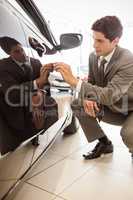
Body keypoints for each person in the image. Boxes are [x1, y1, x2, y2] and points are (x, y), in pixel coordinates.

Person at [54, 15, 133, 160]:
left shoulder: (127, 59)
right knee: (78, 104)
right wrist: (88, 98)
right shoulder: (93, 56)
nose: (94, 45)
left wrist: (74, 81)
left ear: (115, 41)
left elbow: (109, 95)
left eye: (100, 41)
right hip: (115, 108)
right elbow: (91, 82)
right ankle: (104, 143)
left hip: (130, 109)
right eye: (94, 39)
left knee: (129, 134)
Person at [0, 36, 58, 154]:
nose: (22, 53)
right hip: (15, 111)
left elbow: (46, 85)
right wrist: (37, 83)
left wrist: (40, 94)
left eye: (22, 49)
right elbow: (12, 94)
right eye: (17, 52)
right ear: (8, 54)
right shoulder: (3, 66)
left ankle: (40, 135)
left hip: (37, 107)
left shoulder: (36, 62)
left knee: (49, 105)